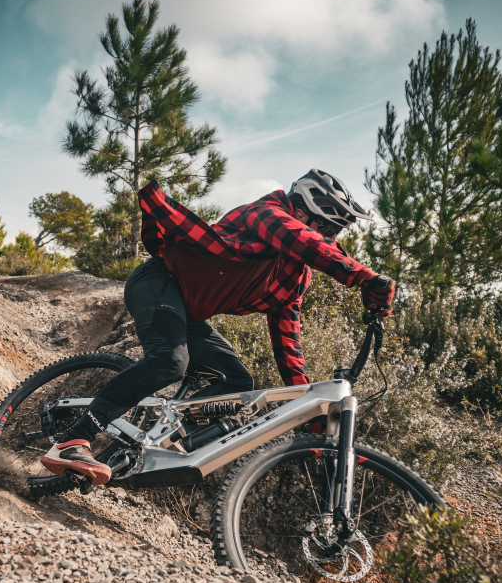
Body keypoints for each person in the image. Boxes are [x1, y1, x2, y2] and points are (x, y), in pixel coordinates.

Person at [38, 169, 396, 485]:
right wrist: (364, 277)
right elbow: (301, 240)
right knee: (170, 361)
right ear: (302, 212)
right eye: (329, 228)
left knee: (237, 382)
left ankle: (147, 444)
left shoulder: (292, 279)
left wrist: (313, 413)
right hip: (159, 282)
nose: (332, 238)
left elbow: (289, 348)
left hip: (189, 312)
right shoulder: (267, 214)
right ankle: (74, 439)